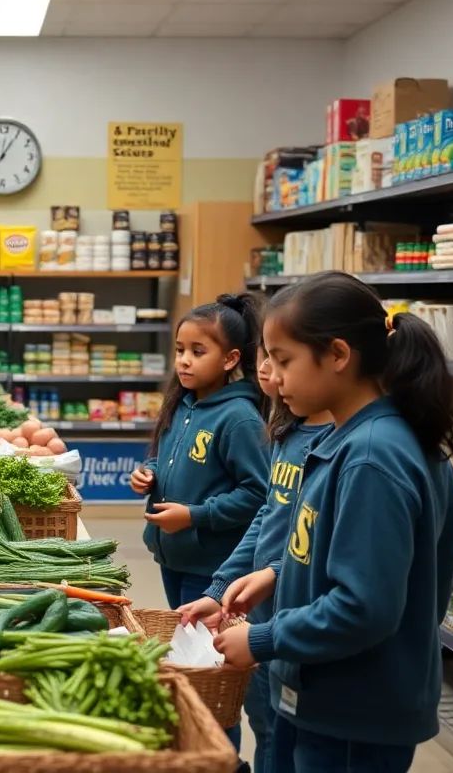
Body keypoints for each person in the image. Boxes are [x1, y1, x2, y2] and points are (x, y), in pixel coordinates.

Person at [212, 271, 453, 773]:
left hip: (356, 709)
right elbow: (355, 555)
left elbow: (364, 607)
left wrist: (262, 639)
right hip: (327, 694)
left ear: (337, 355)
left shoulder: (372, 459)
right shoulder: (351, 441)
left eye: (283, 360)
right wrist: (278, 575)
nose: (273, 377)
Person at [179, 345, 332, 773]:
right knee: (267, 726)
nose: (268, 373)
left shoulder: (343, 450)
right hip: (263, 622)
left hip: (304, 631)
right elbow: (266, 518)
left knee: (289, 744)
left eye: (281, 360)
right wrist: (220, 587)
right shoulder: (286, 431)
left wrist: (275, 575)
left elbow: (320, 550)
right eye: (265, 359)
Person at [131, 294, 269, 753]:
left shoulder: (240, 418)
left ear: (231, 359)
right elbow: (169, 460)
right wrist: (148, 473)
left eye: (197, 351)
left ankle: (220, 755)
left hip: (213, 571)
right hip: (174, 558)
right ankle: (199, 749)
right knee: (188, 664)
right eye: (179, 349)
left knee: (210, 678)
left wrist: (195, 515)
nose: (184, 361)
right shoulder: (183, 404)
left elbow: (257, 495)